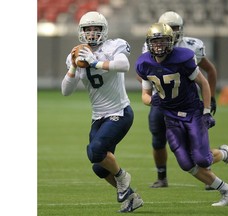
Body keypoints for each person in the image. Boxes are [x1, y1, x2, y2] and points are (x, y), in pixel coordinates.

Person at [135, 22, 228, 206]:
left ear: (172, 42)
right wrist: (152, 100)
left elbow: (204, 83)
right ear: (149, 43)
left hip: (192, 112)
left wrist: (206, 111)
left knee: (202, 159)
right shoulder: (144, 63)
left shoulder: (182, 58)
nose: (159, 45)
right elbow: (144, 95)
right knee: (186, 164)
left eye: (163, 41)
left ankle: (225, 153)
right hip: (171, 117)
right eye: (155, 41)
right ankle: (227, 191)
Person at [61, 11, 143, 213]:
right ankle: (132, 197)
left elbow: (124, 65)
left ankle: (123, 177)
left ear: (103, 30)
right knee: (98, 166)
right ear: (81, 31)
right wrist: (72, 67)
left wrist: (95, 62)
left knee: (97, 150)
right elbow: (66, 91)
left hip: (120, 112)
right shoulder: (76, 53)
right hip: (98, 117)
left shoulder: (114, 45)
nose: (91, 33)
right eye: (87, 29)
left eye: (95, 28)